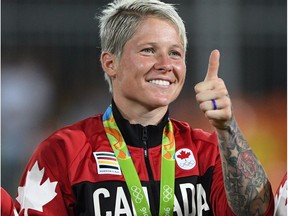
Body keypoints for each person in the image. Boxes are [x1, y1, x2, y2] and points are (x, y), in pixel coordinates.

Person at [15, 0, 274, 215]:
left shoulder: (207, 153)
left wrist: (227, 128)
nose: (165, 64)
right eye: (149, 50)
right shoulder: (64, 152)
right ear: (110, 63)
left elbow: (256, 211)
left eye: (175, 53)